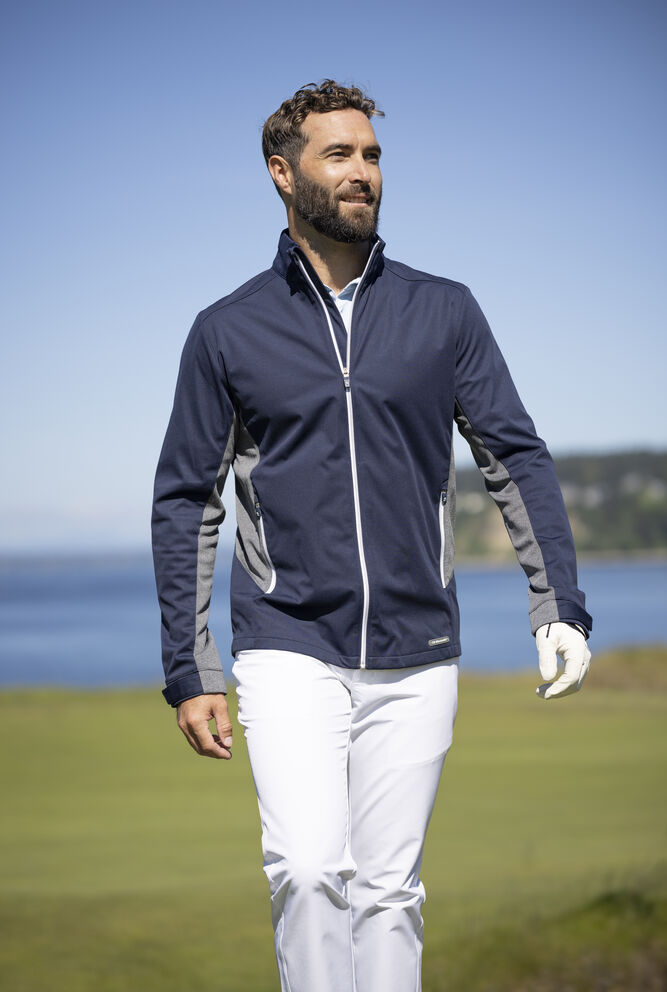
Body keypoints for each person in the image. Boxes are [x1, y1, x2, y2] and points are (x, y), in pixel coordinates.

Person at [151, 79, 592, 992]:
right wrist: (190, 669)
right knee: (310, 870)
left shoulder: (445, 311)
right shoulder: (226, 331)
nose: (363, 172)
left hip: (418, 645)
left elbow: (513, 456)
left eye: (373, 155)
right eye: (338, 154)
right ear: (283, 174)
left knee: (389, 891)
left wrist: (557, 603)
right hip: (287, 639)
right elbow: (188, 501)